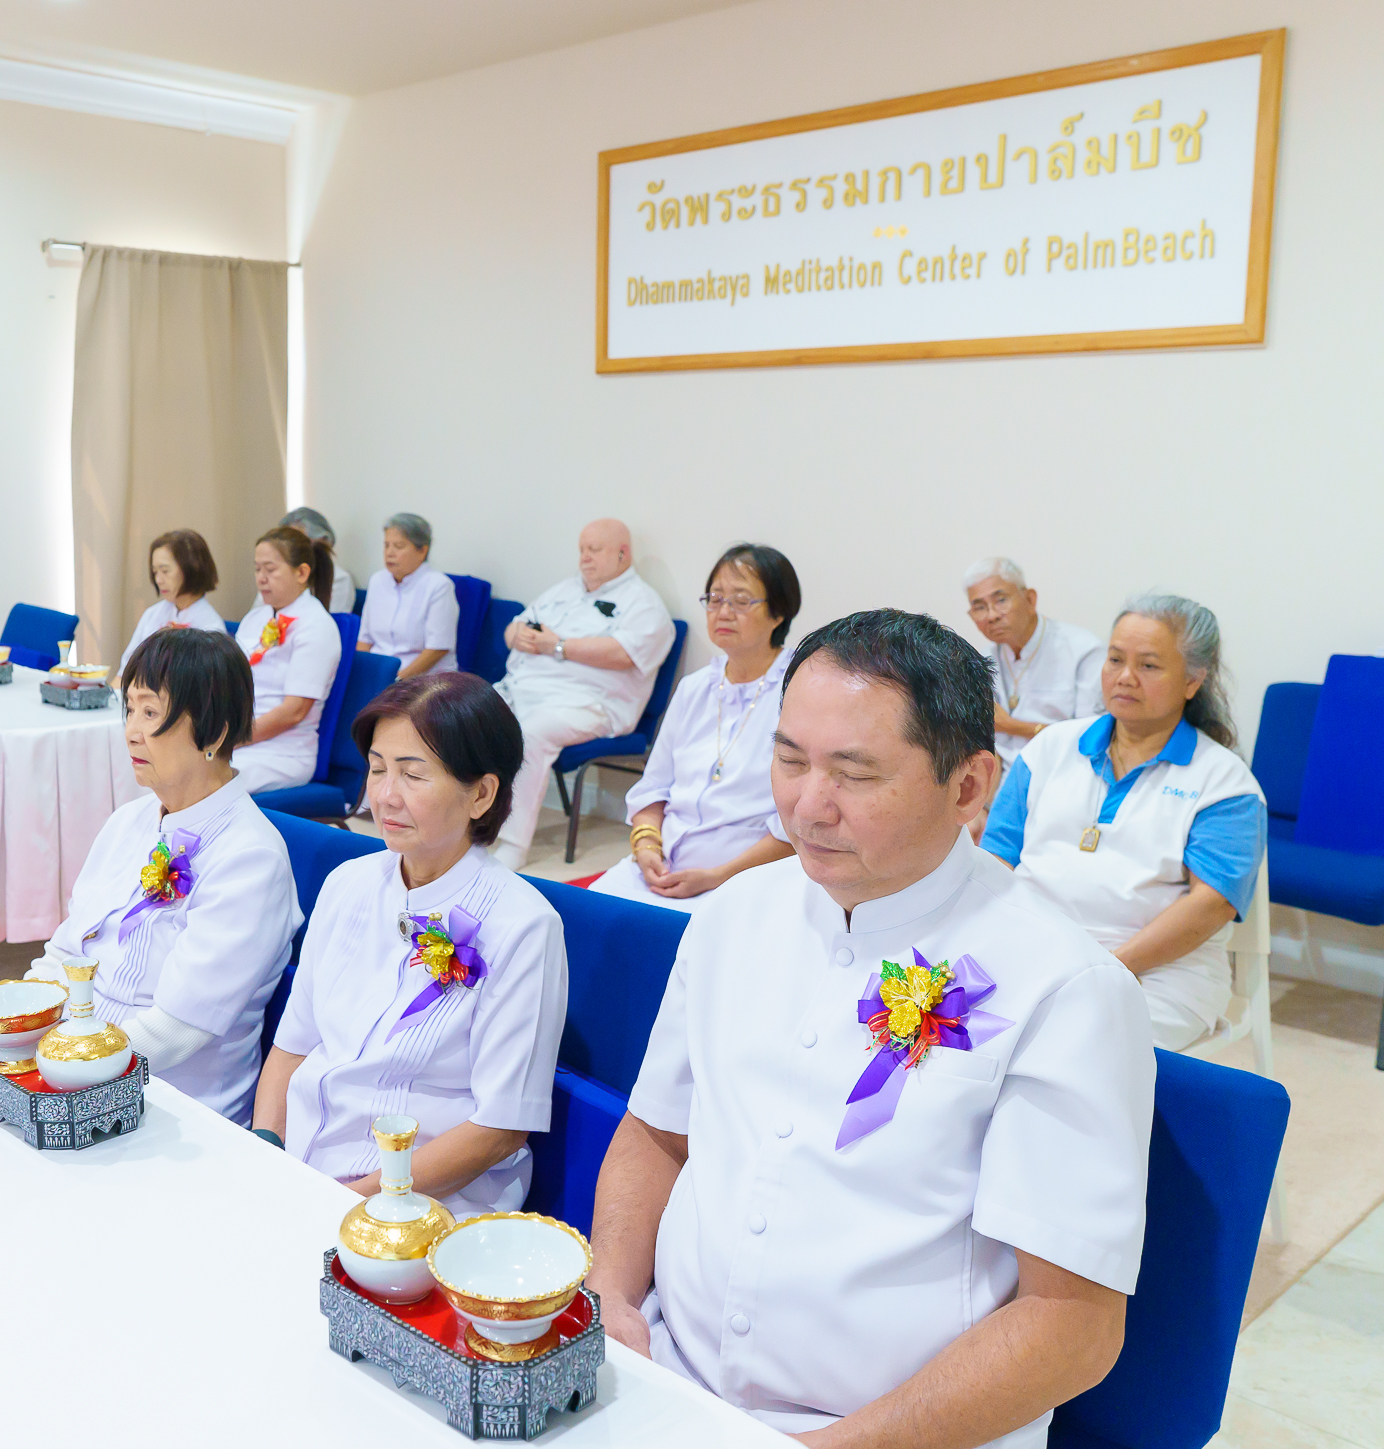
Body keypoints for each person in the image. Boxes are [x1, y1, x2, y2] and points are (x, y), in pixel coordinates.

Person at [585, 609, 1153, 1449]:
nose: (807, 807)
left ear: (968, 787)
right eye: (787, 760)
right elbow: (657, 1133)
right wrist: (611, 1296)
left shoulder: (1062, 986)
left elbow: (1072, 1320)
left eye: (853, 774)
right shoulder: (734, 914)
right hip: (673, 1381)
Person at [253, 672, 567, 1215]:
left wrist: (346, 1202)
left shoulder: (523, 926)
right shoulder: (347, 884)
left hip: (427, 1203)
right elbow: (293, 1046)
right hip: (301, 1171)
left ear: (482, 794)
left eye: (412, 775)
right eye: (377, 769)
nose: (385, 796)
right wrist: (265, 1151)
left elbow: (500, 1128)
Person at [30, 629, 301, 1124]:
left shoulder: (251, 859)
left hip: (172, 1104)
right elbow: (65, 954)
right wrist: (23, 1022)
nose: (132, 730)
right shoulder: (128, 822)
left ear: (215, 734)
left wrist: (65, 1062)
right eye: (129, 710)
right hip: (77, 1066)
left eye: (151, 713)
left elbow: (178, 1031)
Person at [983, 594, 1266, 1051]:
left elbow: (1210, 905)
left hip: (1157, 974)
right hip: (1033, 953)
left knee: (1068, 1048)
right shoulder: (1050, 749)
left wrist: (1105, 967)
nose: (1124, 677)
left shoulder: (1225, 783)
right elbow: (994, 862)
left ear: (1193, 680)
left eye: (1149, 666)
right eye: (1115, 659)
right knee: (935, 1023)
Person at [592, 543, 798, 913]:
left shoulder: (797, 693)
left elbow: (796, 825)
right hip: (662, 870)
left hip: (742, 879)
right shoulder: (696, 687)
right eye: (715, 598)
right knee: (587, 917)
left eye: (740, 600)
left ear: (779, 612)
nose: (723, 611)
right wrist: (646, 846)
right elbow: (653, 787)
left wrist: (718, 876)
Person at [490, 519, 674, 870]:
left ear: (623, 553)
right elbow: (515, 625)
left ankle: (513, 846)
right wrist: (516, 636)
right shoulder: (564, 590)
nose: (585, 558)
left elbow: (623, 654)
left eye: (595, 549)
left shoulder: (645, 605)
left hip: (591, 705)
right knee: (461, 715)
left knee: (532, 732)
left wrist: (557, 646)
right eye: (581, 549)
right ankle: (464, 827)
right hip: (521, 689)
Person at [229, 526, 343, 794]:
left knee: (199, 781)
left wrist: (230, 739)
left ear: (302, 573)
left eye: (270, 569)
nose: (261, 578)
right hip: (241, 740)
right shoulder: (256, 618)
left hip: (282, 753)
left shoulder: (317, 626)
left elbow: (294, 711)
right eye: (257, 569)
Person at [964, 557, 1102, 764]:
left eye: (1000, 600)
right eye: (980, 607)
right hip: (1004, 781)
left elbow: (1093, 738)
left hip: (1063, 773)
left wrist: (1010, 725)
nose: (991, 616)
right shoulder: (983, 660)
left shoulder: (1083, 651)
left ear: (1030, 600)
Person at [115, 528, 229, 682]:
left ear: (191, 569)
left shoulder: (211, 627)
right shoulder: (152, 614)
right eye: (155, 572)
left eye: (165, 571)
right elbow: (125, 671)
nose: (158, 580)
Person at [357, 512, 458, 679]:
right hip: (378, 675)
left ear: (422, 551)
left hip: (422, 680)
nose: (389, 553)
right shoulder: (377, 581)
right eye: (386, 545)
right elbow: (365, 639)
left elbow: (437, 649)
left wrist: (397, 680)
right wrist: (360, 673)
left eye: (398, 546)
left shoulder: (439, 586)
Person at [281, 506, 355, 614]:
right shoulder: (276, 576)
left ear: (323, 540)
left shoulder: (339, 580)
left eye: (298, 542)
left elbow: (329, 623)